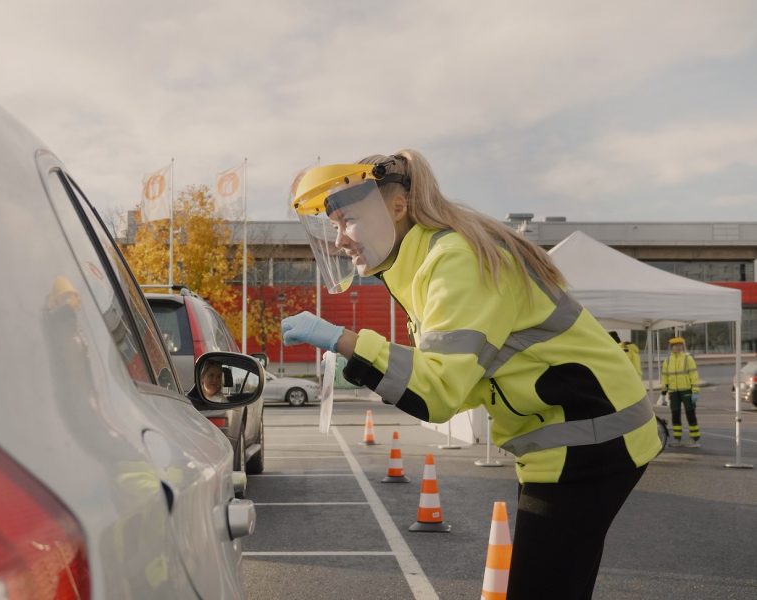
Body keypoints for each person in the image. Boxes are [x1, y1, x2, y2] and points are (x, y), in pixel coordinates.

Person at [282, 149, 662, 599]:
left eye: (346, 220)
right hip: (577, 434)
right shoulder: (425, 265)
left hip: (590, 434)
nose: (340, 239)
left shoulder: (452, 259)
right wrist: (376, 367)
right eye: (333, 225)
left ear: (397, 207)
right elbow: (460, 384)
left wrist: (346, 340)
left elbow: (438, 392)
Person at [660, 336, 701, 447]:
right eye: (676, 346)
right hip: (673, 392)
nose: (678, 347)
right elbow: (664, 377)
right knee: (675, 415)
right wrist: (664, 391)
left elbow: (694, 375)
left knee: (690, 414)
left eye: (680, 345)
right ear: (671, 347)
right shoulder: (667, 361)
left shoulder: (688, 359)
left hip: (687, 390)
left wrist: (695, 391)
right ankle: (677, 439)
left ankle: (695, 440)